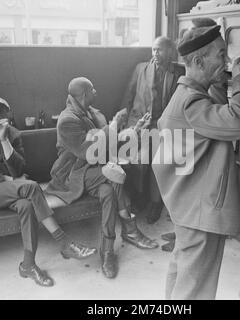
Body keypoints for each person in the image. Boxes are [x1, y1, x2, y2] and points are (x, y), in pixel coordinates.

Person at [152, 25, 240, 300]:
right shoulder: (192, 103)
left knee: (183, 273)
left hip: (189, 207)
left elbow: (220, 110)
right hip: (200, 211)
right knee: (196, 288)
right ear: (198, 62)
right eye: (221, 55)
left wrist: (222, 82)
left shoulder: (194, 94)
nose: (226, 62)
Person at [0, 96, 97, 287]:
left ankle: (28, 265)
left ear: (7, 114)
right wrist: (9, 180)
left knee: (26, 205)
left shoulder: (12, 134)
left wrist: (4, 141)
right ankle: (64, 242)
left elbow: (18, 169)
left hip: (9, 191)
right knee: (31, 186)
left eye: (0, 112)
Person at [46, 77, 158, 279]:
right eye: (92, 89)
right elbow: (88, 152)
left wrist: (136, 129)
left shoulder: (94, 114)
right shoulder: (67, 120)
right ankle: (129, 229)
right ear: (83, 94)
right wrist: (113, 125)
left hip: (96, 171)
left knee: (108, 190)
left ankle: (107, 251)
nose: (96, 92)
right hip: (74, 174)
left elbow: (109, 143)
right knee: (113, 175)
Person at [122, 36, 185, 224]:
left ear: (170, 52)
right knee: (139, 163)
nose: (155, 54)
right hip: (139, 123)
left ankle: (156, 203)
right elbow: (129, 94)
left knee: (158, 165)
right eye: (153, 50)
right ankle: (140, 199)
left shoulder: (179, 72)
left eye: (160, 50)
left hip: (163, 126)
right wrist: (124, 121)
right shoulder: (141, 68)